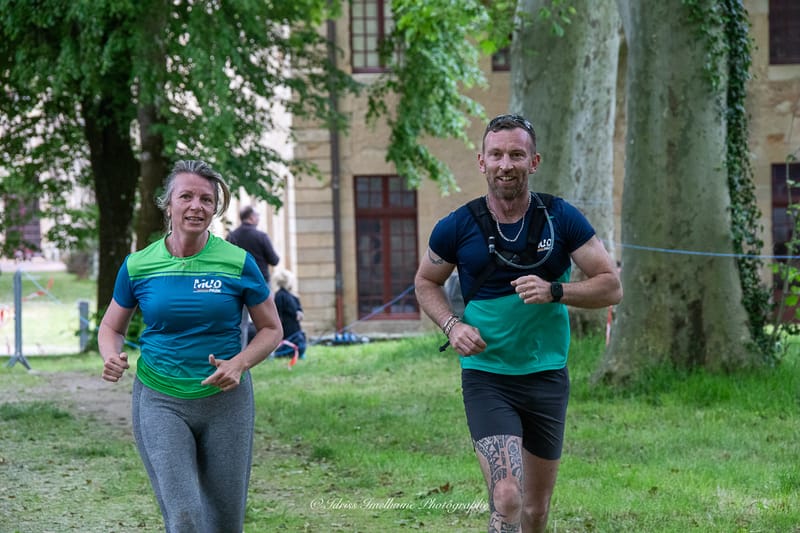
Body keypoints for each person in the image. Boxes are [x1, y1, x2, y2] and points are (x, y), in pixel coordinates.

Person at [414, 114, 622, 533]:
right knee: (508, 496)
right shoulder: (458, 225)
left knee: (536, 509)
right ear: (481, 162)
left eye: (516, 154)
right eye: (496, 155)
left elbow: (610, 285)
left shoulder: (561, 218)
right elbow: (425, 282)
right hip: (488, 375)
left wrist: (555, 290)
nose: (505, 164)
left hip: (546, 375)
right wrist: (452, 326)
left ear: (534, 161)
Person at [97, 159, 283, 533]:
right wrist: (111, 355)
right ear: (168, 205)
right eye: (186, 197)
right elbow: (111, 326)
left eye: (206, 199)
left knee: (225, 522)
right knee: (184, 517)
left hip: (226, 402)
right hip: (160, 399)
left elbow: (271, 329)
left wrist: (240, 363)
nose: (196, 206)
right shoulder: (138, 265)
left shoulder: (238, 262)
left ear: (215, 208)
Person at [228, 205, 280, 345]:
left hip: (236, 283)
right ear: (251, 217)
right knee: (268, 322)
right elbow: (274, 260)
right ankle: (269, 351)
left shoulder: (232, 237)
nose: (258, 219)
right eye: (257, 216)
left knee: (241, 323)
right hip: (260, 283)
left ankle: (240, 351)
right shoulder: (261, 236)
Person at [272, 269, 307, 359]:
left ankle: (295, 351)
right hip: (287, 327)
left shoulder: (292, 295)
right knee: (290, 342)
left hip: (294, 326)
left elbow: (298, 308)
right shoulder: (281, 295)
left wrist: (299, 313)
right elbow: (278, 313)